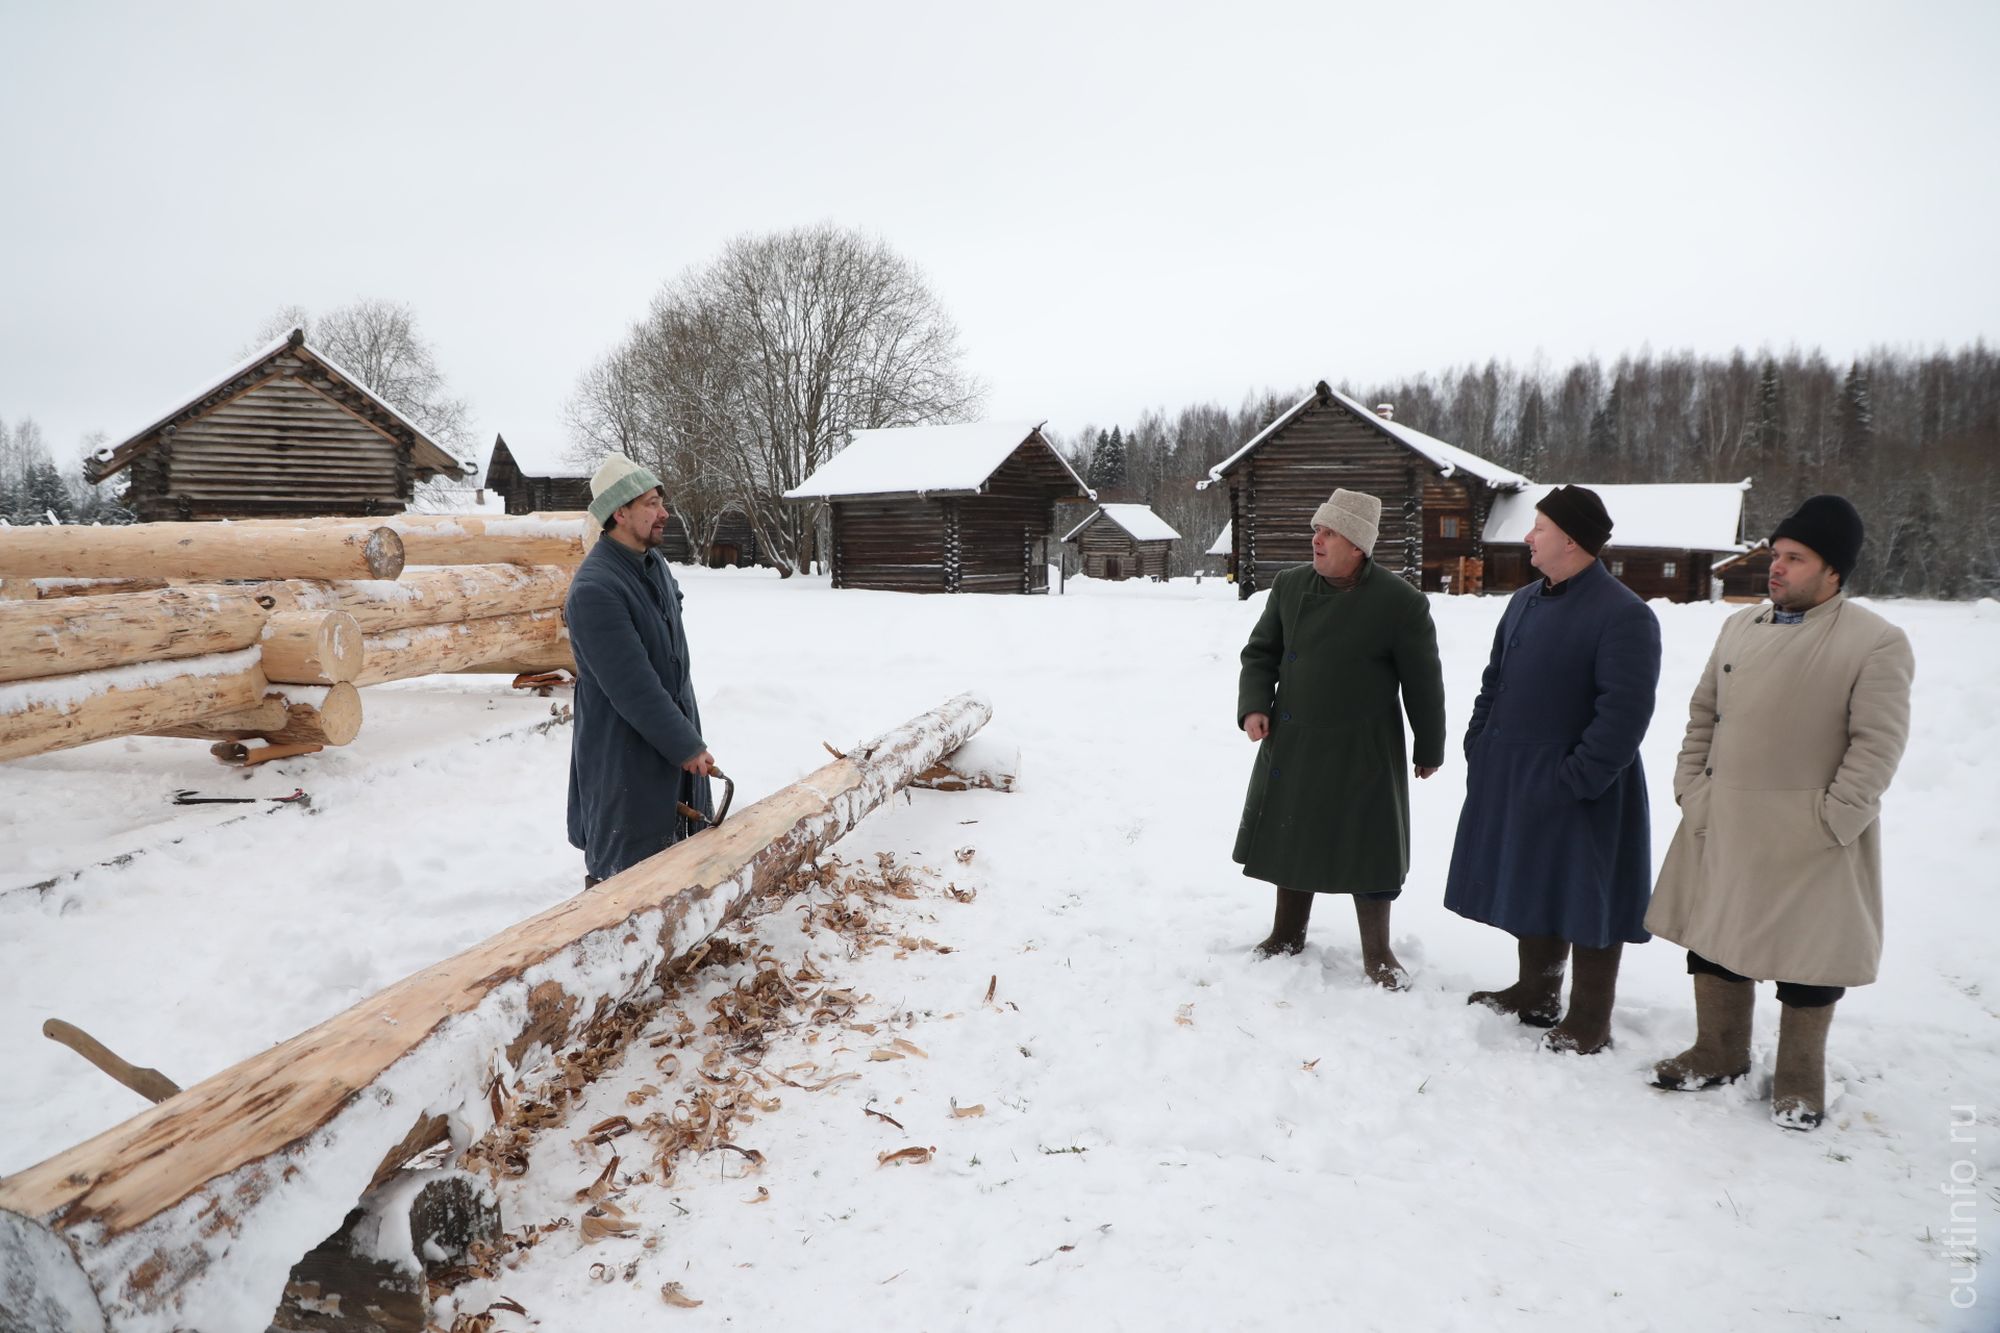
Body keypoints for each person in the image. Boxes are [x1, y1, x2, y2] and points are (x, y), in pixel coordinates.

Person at [1646, 495, 1913, 1129]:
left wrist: (1834, 819)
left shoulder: (1875, 641)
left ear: (1834, 572)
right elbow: (1703, 714)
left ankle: (1799, 1076)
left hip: (1812, 831)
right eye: (1776, 554)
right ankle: (1718, 1050)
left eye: (1796, 558)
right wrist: (1693, 788)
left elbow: (1878, 743)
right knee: (1714, 937)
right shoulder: (1739, 627)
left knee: (1808, 955)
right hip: (1725, 816)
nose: (1777, 567)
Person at [1443, 485, 1661, 1055]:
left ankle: (1591, 1018)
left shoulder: (1624, 614)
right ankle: (1536, 994)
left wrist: (1577, 779)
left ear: (1569, 538)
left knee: (1589, 898)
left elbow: (1624, 714)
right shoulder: (1523, 601)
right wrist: (1479, 743)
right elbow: (1495, 681)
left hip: (1585, 784)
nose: (1528, 537)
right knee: (1533, 879)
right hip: (1513, 770)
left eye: (1537, 527)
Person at [1234, 488, 1445, 987]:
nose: (1316, 539)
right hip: (1296, 737)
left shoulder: (1401, 603)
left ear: (1357, 545)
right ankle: (1286, 933)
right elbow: (1260, 653)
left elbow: (1423, 680)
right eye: (1316, 529)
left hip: (1364, 745)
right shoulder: (1289, 586)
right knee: (1292, 831)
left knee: (1368, 846)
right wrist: (1255, 705)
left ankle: (1378, 952)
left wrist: (1429, 745)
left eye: (1328, 532)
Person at [565, 453, 718, 888]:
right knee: (626, 872)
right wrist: (687, 746)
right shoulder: (595, 589)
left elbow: (669, 607)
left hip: (670, 734)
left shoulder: (652, 563)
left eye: (660, 501)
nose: (664, 512)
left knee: (678, 858)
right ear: (620, 512)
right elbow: (633, 688)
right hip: (624, 752)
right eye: (651, 503)